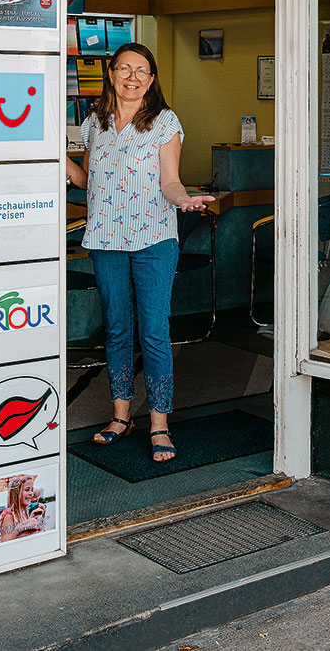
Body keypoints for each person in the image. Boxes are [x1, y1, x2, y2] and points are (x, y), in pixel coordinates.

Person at [66, 43, 213, 463]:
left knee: (153, 330)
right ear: (111, 74)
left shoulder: (165, 121)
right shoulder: (94, 121)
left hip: (153, 238)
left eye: (142, 71)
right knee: (116, 328)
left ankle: (160, 423)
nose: (133, 77)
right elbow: (87, 178)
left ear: (151, 80)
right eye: (125, 69)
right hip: (105, 239)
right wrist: (54, 156)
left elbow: (170, 180)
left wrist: (183, 199)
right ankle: (120, 416)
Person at [0, 475, 45, 542]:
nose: (31, 493)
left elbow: (22, 534)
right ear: (16, 493)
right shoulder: (9, 515)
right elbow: (5, 541)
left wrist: (32, 518)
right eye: (27, 490)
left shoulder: (23, 513)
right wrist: (20, 526)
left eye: (32, 490)